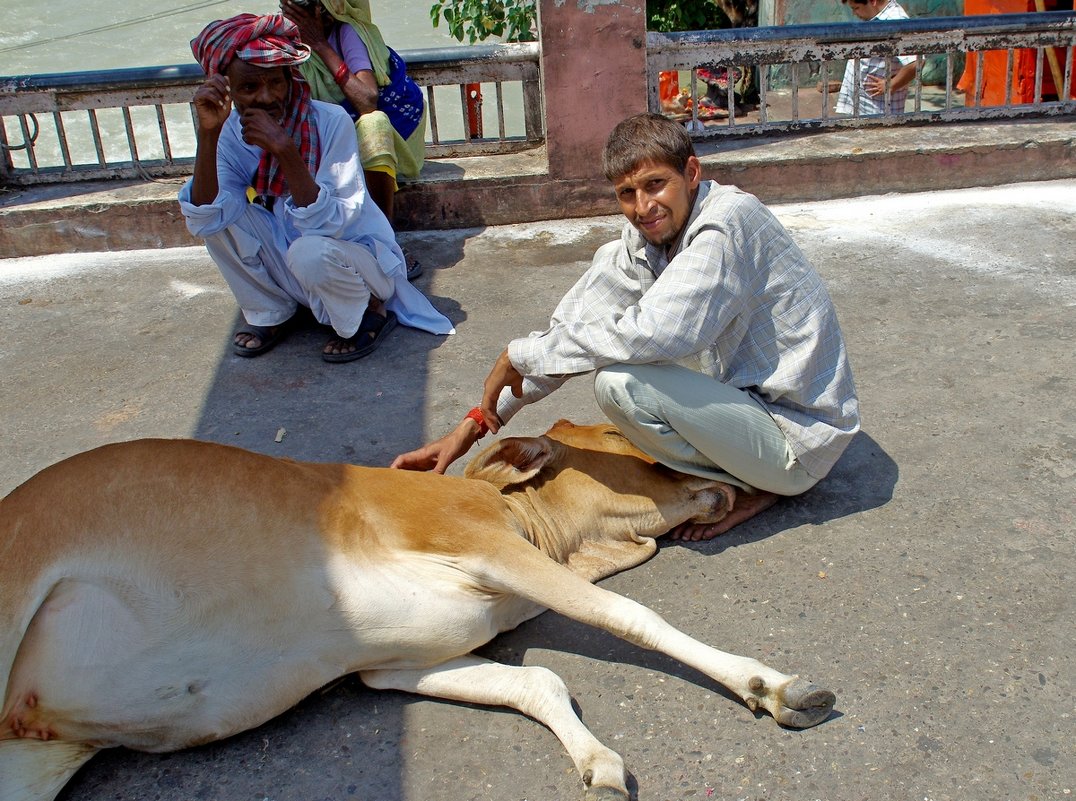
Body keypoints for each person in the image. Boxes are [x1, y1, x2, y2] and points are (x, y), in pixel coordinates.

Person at [392, 112, 860, 541]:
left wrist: (518, 355)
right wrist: (474, 425)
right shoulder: (645, 238)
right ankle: (748, 473)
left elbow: (661, 332)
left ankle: (763, 486)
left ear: (691, 175)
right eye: (626, 194)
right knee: (600, 357)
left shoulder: (726, 226)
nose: (643, 207)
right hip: (750, 410)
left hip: (799, 438)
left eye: (656, 184)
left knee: (622, 383)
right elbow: (573, 332)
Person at [179, 13, 453, 362]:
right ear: (229, 89)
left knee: (308, 251)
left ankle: (369, 313)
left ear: (289, 80)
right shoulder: (230, 131)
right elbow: (203, 218)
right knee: (220, 219)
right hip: (299, 261)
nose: (266, 97)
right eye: (249, 88)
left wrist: (285, 151)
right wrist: (208, 134)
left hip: (357, 261)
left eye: (275, 83)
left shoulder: (330, 121)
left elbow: (333, 224)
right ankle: (272, 312)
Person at [281, 0, 426, 277]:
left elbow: (368, 100)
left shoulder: (344, 34)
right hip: (313, 143)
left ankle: (385, 242)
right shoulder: (282, 43)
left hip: (356, 143)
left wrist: (320, 45)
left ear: (323, 10)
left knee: (376, 123)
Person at [835, 0, 919, 116]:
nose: (854, 13)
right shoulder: (877, 17)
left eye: (856, 8)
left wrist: (891, 85)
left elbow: (916, 63)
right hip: (864, 102)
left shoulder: (895, 20)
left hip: (879, 107)